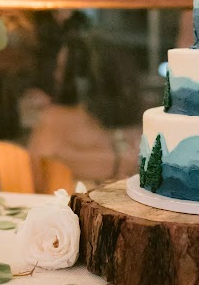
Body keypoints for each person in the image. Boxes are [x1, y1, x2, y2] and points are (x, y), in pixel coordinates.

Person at [28, 35, 142, 191]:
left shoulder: (129, 118)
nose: (56, 75)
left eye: (63, 69)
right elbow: (45, 162)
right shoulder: (55, 118)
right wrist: (120, 161)